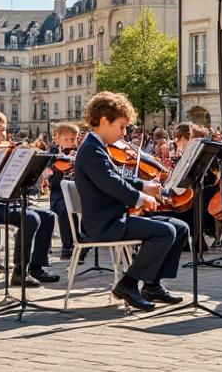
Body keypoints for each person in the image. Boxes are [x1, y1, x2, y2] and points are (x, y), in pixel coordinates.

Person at [73, 92, 188, 311]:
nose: (124, 133)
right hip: (104, 224)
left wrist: (145, 186)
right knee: (165, 232)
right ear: (104, 121)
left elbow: (118, 177)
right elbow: (111, 184)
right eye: (121, 126)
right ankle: (128, 284)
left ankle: (152, 285)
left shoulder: (97, 147)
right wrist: (141, 197)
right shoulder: (90, 150)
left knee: (180, 228)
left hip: (114, 218)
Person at [0, 108, 59, 287]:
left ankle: (36, 267)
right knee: (30, 218)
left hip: (0, 205)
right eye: (2, 129)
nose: (5, 134)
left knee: (48, 216)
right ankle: (20, 271)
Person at [46, 122, 81, 259]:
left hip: (76, 193)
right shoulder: (53, 154)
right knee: (65, 209)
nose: (70, 143)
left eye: (73, 139)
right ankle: (67, 247)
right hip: (58, 195)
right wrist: (58, 169)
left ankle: (79, 242)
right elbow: (52, 182)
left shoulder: (79, 154)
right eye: (66, 139)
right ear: (58, 139)